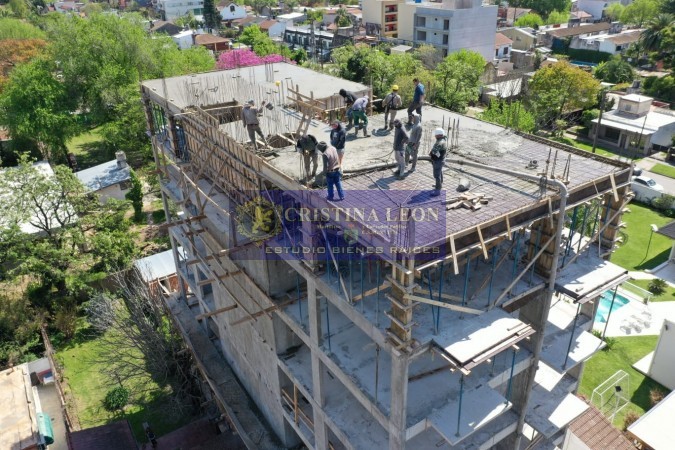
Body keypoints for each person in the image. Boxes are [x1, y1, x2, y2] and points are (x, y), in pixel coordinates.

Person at [429, 128, 448, 197]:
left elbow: (434, 151)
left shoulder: (440, 142)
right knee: (439, 172)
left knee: (437, 175)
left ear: (439, 135)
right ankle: (439, 183)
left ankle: (438, 190)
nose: (435, 136)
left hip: (438, 160)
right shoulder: (443, 140)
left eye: (436, 135)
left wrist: (431, 155)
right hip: (441, 159)